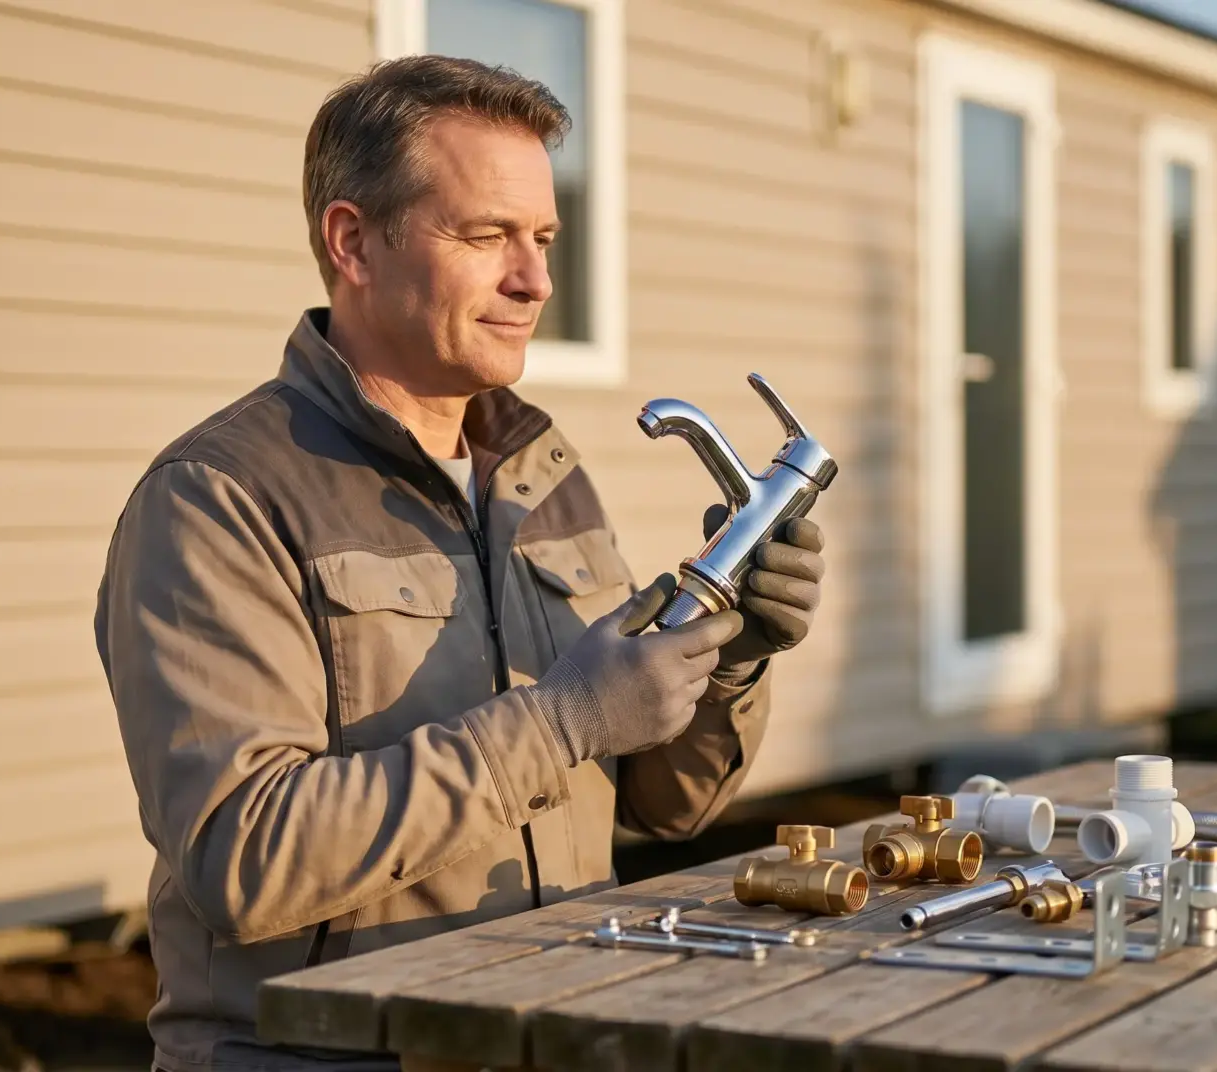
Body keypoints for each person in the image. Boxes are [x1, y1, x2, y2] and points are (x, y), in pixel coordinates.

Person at [93, 54, 827, 1072]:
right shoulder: (221, 497)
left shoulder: (543, 478)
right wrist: (561, 717)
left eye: (543, 238)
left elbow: (667, 803)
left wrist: (734, 660)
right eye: (488, 236)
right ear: (353, 241)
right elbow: (243, 858)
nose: (535, 280)